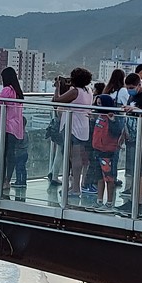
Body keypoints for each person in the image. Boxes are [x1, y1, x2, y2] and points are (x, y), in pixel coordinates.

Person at [115, 73, 142, 219]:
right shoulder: (133, 97)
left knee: (141, 172)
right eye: (128, 88)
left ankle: (140, 204)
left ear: (139, 84)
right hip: (132, 137)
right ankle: (131, 201)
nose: (130, 90)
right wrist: (123, 135)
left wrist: (139, 111)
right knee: (132, 171)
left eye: (132, 87)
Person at [53, 67, 93, 196]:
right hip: (83, 127)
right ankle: (75, 186)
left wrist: (57, 87)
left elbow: (56, 100)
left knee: (73, 158)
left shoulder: (75, 92)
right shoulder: (88, 91)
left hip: (72, 127)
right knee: (78, 157)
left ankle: (75, 188)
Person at [0, 66, 25, 192]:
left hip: (3, 126)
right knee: (11, 155)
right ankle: (7, 180)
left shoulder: (6, 90)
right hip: (15, 128)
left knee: (1, 155)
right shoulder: (17, 92)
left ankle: (1, 180)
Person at [90, 93, 122, 211]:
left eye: (100, 104)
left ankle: (109, 202)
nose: (98, 106)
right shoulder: (99, 116)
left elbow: (116, 132)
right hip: (98, 149)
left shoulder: (112, 117)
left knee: (109, 178)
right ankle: (99, 200)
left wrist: (112, 120)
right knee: (99, 177)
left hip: (108, 151)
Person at [12, 116, 29, 188]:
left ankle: (19, 181)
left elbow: (18, 143)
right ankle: (23, 181)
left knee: (19, 168)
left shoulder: (21, 134)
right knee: (22, 168)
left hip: (20, 153)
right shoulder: (26, 133)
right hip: (24, 153)